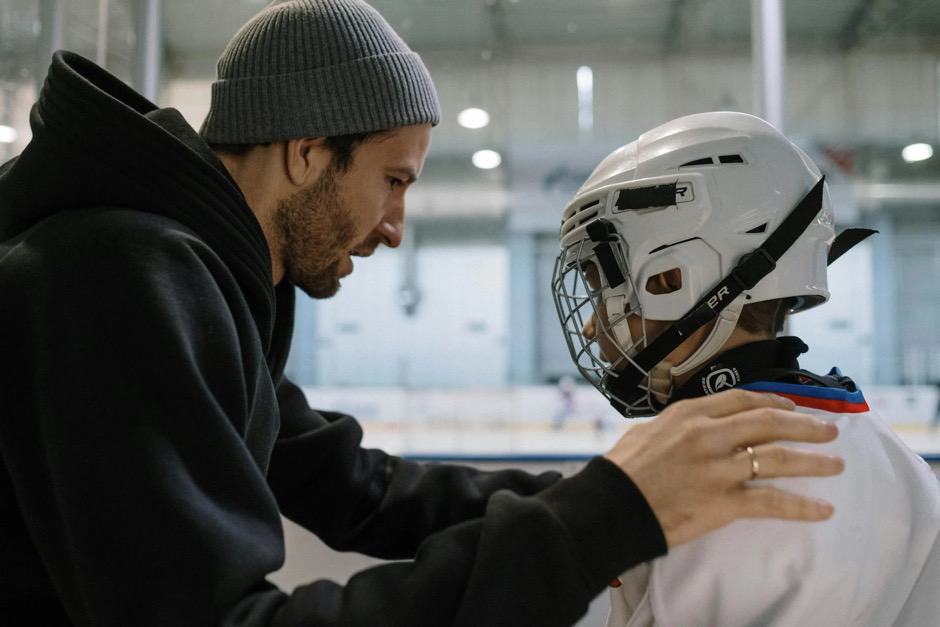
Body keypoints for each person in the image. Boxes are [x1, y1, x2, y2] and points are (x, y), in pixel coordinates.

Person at [0, 2, 844, 625]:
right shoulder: (117, 280)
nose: (396, 227)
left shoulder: (200, 278)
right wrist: (594, 523)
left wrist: (602, 492)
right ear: (306, 152)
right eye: (393, 181)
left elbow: (356, 488)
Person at [552, 111, 940, 626]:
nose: (590, 327)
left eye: (602, 284)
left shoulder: (705, 491)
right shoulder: (900, 463)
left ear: (671, 280)